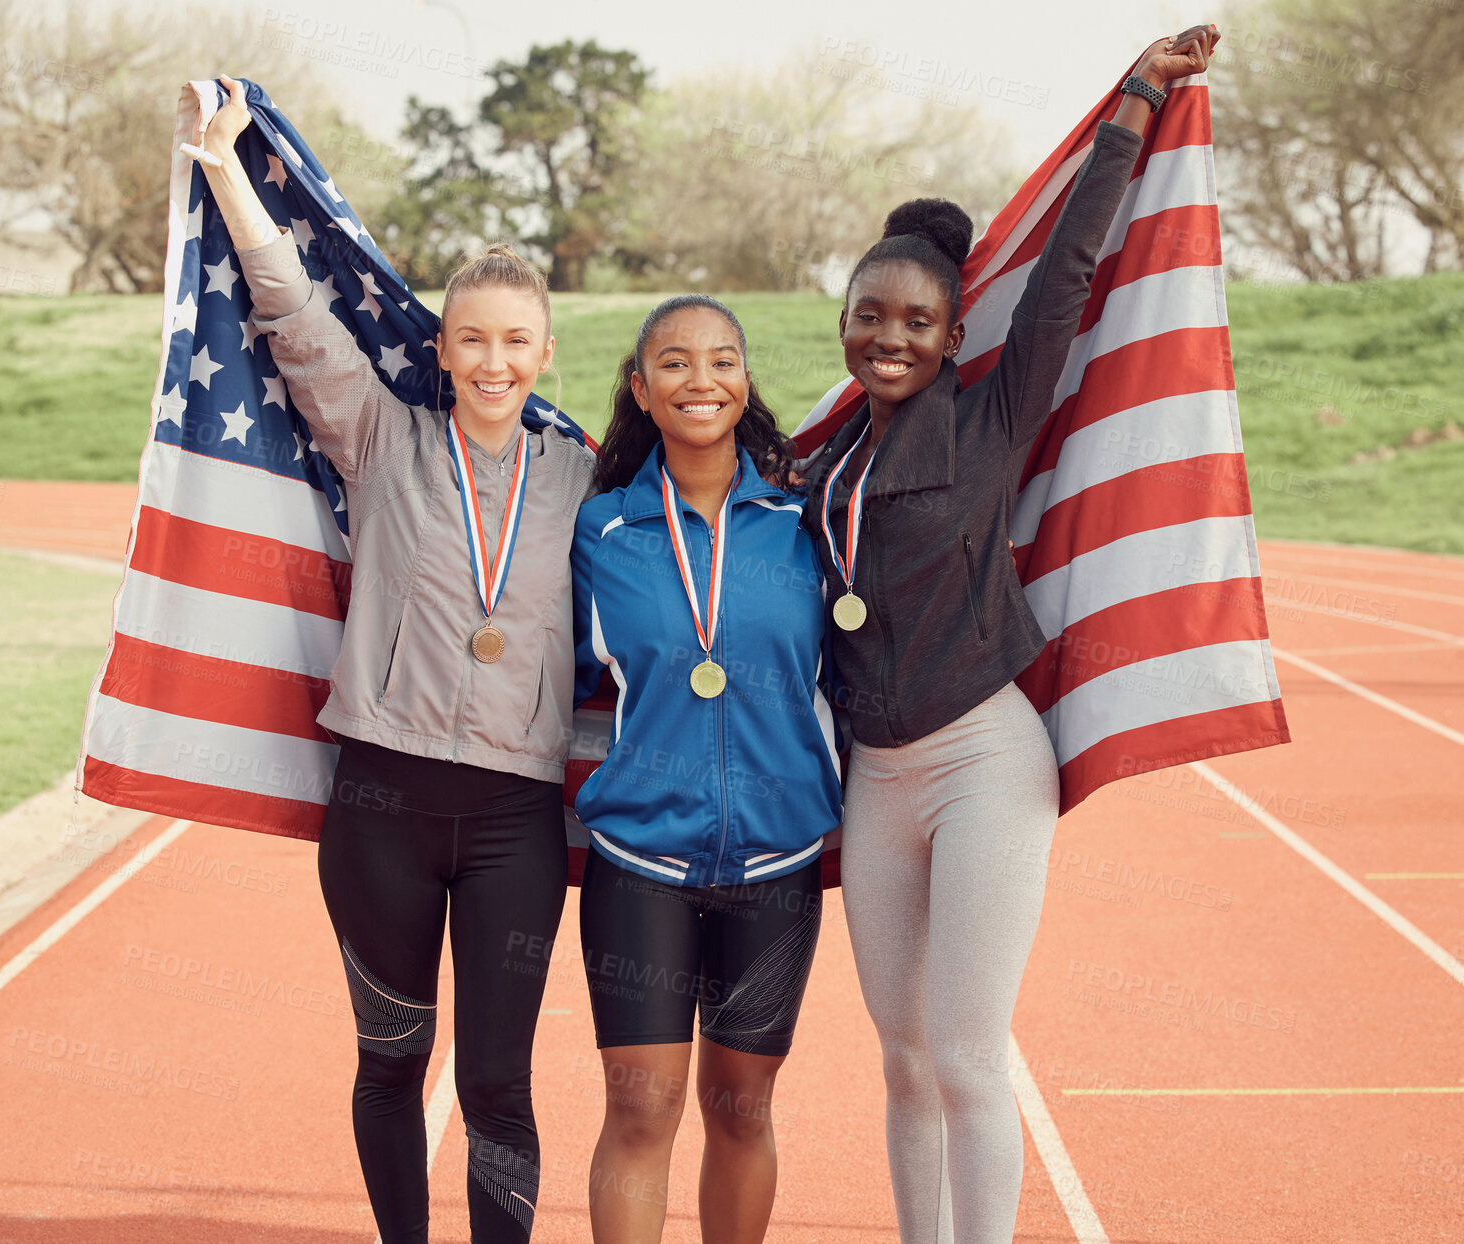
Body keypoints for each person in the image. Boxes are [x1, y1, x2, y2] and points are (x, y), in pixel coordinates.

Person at [796, 29, 1221, 1244]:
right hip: (873, 779)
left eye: (915, 322)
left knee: (970, 1053)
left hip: (983, 760)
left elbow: (1070, 271)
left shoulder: (991, 414)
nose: (887, 337)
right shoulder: (818, 460)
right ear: (844, 321)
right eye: (866, 315)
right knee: (901, 1056)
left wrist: (1134, 104)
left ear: (949, 333)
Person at [199, 75, 595, 1244]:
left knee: (498, 1085)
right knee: (391, 1060)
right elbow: (291, 312)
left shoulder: (581, 479)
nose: (491, 360)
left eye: (514, 341)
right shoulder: (379, 437)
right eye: (471, 337)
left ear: (543, 351)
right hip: (378, 800)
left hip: (517, 817)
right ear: (444, 343)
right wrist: (225, 162)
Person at [570, 295, 844, 1243]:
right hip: (640, 862)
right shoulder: (597, 533)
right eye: (675, 364)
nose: (702, 380)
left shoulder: (803, 525)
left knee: (742, 1109)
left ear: (744, 382)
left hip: (775, 865)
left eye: (722, 361)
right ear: (641, 390)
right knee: (641, 1113)